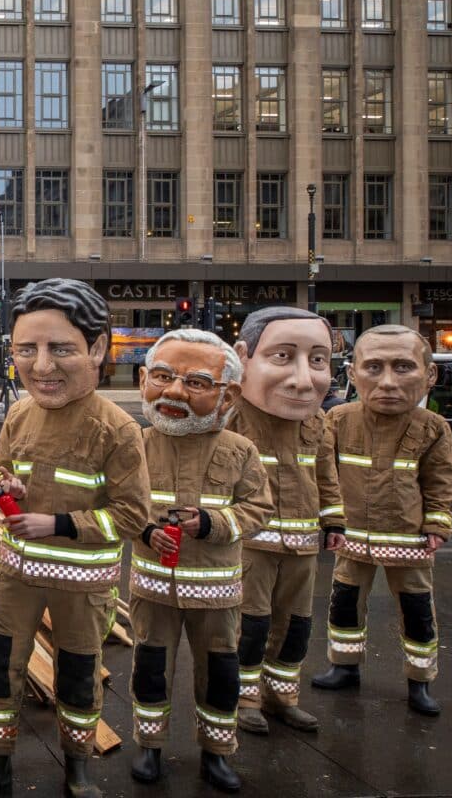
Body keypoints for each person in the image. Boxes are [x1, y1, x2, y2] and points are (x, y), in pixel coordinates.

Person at [0, 279, 149, 798]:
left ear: (96, 348)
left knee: (78, 675)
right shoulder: (19, 414)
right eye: (26, 349)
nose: (40, 366)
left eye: (60, 348)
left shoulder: (116, 429)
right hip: (15, 576)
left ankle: (77, 766)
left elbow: (132, 515)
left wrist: (60, 525)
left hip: (82, 586)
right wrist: (6, 487)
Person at [126, 329, 272, 793]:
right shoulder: (136, 444)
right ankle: (149, 747)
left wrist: (211, 523)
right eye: (164, 377)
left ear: (227, 394)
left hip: (215, 590)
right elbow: (118, 502)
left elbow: (259, 509)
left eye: (195, 382)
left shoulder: (240, 450)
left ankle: (217, 753)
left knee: (221, 674)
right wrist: (146, 530)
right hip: (153, 588)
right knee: (150, 668)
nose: (173, 392)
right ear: (144, 379)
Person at [311, 325, 452, 716]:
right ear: (353, 373)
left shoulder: (432, 427)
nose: (388, 382)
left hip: (409, 539)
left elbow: (442, 481)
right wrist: (328, 521)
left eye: (403, 367)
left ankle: (419, 681)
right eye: (374, 367)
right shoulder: (338, 420)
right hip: (351, 538)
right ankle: (343, 666)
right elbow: (323, 474)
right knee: (344, 605)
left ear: (429, 375)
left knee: (416, 610)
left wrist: (437, 526)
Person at [226, 307, 342, 736]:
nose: (303, 378)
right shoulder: (232, 415)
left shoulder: (318, 422)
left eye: (318, 360)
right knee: (250, 626)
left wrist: (335, 521)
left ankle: (283, 696)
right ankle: (244, 698)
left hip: (303, 546)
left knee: (295, 626)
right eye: (282, 356)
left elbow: (326, 475)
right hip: (251, 546)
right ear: (243, 357)